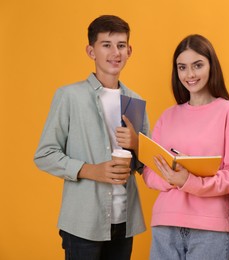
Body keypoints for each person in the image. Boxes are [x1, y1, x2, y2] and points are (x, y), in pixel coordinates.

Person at [34, 15, 149, 259]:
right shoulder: (69, 96)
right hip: (83, 222)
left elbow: (143, 164)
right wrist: (89, 170)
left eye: (120, 45)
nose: (115, 52)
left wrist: (138, 145)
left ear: (130, 51)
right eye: (106, 44)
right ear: (91, 51)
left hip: (124, 221)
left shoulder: (135, 101)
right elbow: (44, 155)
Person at [141, 34, 229, 260]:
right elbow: (149, 172)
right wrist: (173, 178)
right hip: (165, 224)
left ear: (211, 66)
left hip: (211, 229)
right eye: (182, 67)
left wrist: (188, 181)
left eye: (197, 65)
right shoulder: (168, 116)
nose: (190, 74)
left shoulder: (228, 112)